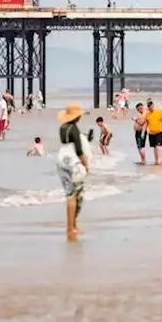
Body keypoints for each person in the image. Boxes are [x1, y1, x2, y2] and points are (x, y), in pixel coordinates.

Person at [56, 103, 90, 241]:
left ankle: (71, 227)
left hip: (61, 159)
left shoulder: (62, 128)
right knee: (75, 195)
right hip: (73, 161)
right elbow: (79, 150)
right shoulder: (74, 129)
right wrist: (85, 163)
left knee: (69, 193)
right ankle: (71, 227)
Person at [145, 99, 162, 166]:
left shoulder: (159, 112)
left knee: (158, 146)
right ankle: (156, 159)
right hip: (151, 132)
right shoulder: (147, 114)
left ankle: (159, 159)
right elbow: (147, 122)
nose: (150, 108)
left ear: (153, 106)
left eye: (151, 107)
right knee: (154, 147)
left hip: (159, 131)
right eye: (149, 107)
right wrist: (146, 129)